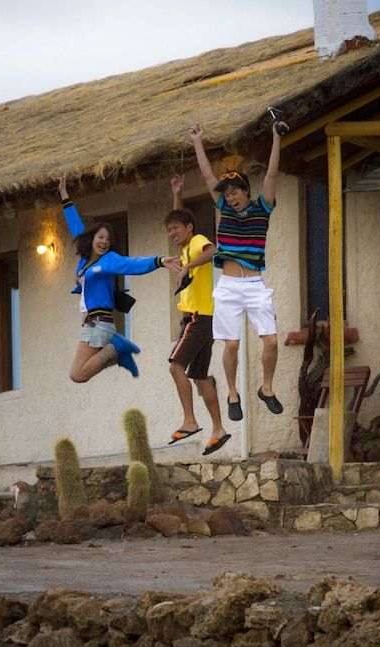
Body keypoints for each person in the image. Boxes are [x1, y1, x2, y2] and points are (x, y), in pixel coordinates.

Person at [189, 121, 288, 420]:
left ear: (246, 190)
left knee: (270, 339)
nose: (230, 197)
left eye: (234, 191)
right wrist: (197, 142)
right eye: (227, 193)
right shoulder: (224, 208)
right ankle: (233, 394)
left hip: (255, 284)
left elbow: (271, 173)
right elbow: (207, 175)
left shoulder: (263, 207)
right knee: (231, 344)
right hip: (229, 286)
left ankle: (266, 388)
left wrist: (276, 138)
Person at [59, 174, 179, 382]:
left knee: (77, 375)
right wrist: (64, 195)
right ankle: (120, 354)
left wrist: (159, 261)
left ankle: (118, 347)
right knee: (79, 374)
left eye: (108, 239)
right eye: (100, 237)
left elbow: (132, 264)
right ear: (92, 238)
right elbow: (76, 227)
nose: (104, 242)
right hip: (93, 323)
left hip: (99, 323)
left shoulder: (109, 261)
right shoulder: (85, 260)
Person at [167, 174, 231, 456]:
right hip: (206, 320)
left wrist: (186, 267)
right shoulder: (185, 245)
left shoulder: (197, 243)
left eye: (176, 229)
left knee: (175, 367)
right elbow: (181, 221)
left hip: (197, 319)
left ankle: (190, 421)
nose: (172, 233)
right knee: (201, 377)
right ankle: (219, 430)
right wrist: (177, 194)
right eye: (169, 230)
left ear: (189, 228)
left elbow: (212, 250)